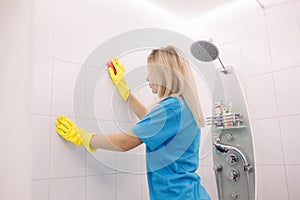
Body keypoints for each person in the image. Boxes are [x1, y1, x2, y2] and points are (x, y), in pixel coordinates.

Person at [56, 46, 211, 200]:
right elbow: (151, 122)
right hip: (189, 193)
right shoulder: (182, 106)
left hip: (177, 196)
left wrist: (84, 137)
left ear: (163, 75)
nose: (147, 79)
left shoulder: (173, 106)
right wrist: (124, 91)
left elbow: (125, 142)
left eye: (151, 73)